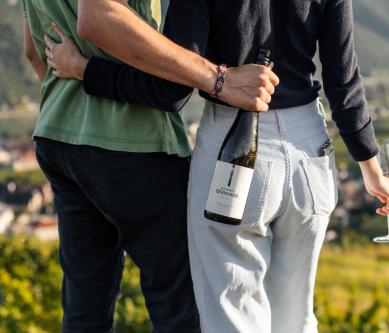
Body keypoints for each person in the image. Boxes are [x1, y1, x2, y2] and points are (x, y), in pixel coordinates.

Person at [46, 0, 389, 332]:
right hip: (310, 151)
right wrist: (372, 169)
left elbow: (168, 91)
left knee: (232, 315)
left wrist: (85, 70)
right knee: (296, 316)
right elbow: (344, 83)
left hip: (233, 147)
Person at [22, 0, 278, 332]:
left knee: (85, 307)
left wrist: (73, 99)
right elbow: (97, 16)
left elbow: (32, 48)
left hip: (59, 135)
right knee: (178, 306)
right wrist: (220, 79)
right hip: (134, 141)